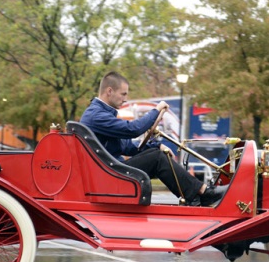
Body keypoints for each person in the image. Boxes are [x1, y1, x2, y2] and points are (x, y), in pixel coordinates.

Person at [80, 71, 226, 207]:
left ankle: (195, 196)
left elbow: (127, 146)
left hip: (109, 171)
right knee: (156, 159)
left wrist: (156, 146)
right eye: (123, 94)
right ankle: (202, 193)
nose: (125, 99)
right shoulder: (96, 115)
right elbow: (133, 129)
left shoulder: (101, 114)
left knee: (158, 154)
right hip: (109, 175)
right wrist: (156, 110)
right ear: (109, 91)